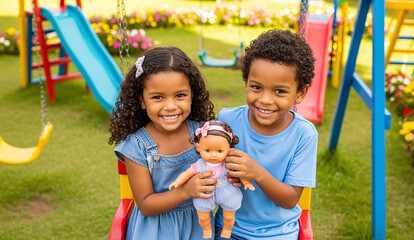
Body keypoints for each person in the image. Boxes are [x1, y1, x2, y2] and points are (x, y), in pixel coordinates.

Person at [215, 29, 318, 240]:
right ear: (246, 83)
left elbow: (290, 200)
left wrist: (256, 172)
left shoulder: (303, 134)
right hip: (228, 229)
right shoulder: (227, 120)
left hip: (277, 234)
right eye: (256, 87)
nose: (266, 100)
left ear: (300, 93)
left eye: (279, 91)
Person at [108, 46, 218, 240]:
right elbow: (146, 205)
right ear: (142, 100)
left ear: (192, 94)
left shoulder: (203, 132)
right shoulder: (137, 145)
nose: (170, 106)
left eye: (180, 95)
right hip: (155, 231)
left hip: (198, 227)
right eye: (158, 97)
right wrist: (186, 191)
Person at [169, 120, 255, 239]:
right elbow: (187, 173)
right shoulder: (199, 164)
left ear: (229, 148)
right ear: (198, 147)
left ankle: (227, 228)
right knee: (203, 217)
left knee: (229, 216)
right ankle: (207, 229)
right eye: (208, 150)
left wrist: (246, 182)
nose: (213, 155)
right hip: (205, 193)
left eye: (220, 151)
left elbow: (238, 173)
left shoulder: (229, 163)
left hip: (227, 192)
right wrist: (177, 182)